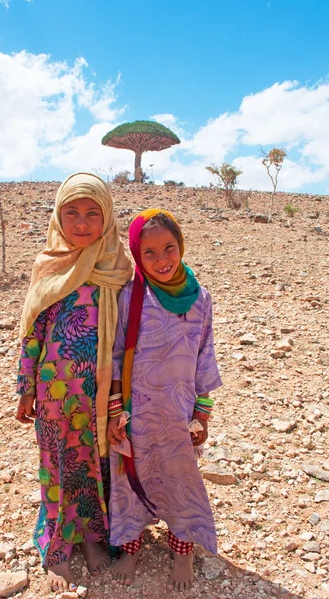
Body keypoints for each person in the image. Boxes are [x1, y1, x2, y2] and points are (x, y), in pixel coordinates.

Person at [15, 173, 133, 593]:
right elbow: (32, 331)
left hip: (103, 394)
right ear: (57, 216)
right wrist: (25, 386)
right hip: (53, 393)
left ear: (108, 218)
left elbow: (129, 336)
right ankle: (59, 547)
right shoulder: (50, 264)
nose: (81, 223)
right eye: (72, 213)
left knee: (98, 464)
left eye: (92, 213)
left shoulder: (118, 268)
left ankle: (93, 539)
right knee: (58, 464)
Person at [107, 209, 222, 592]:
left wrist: (202, 414)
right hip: (136, 414)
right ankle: (132, 546)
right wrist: (114, 411)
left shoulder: (201, 298)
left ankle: (183, 550)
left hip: (178, 414)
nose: (161, 260)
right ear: (138, 255)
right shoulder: (130, 296)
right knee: (129, 479)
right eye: (150, 252)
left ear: (181, 245)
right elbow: (115, 354)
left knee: (180, 480)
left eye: (168, 248)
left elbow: (204, 355)